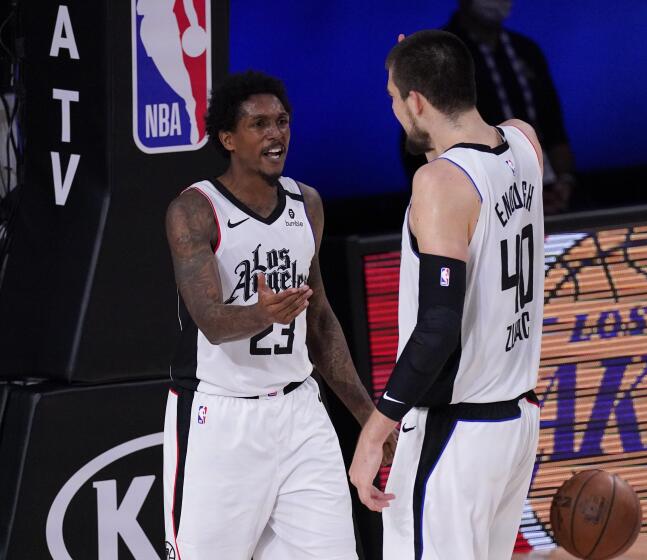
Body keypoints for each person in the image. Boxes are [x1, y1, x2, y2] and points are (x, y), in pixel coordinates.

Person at [162, 70, 395, 560]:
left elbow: (322, 321)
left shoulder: (306, 202)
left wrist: (368, 417)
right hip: (222, 418)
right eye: (259, 124)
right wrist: (262, 313)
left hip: (299, 412)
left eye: (282, 121)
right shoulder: (195, 210)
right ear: (227, 138)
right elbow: (210, 319)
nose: (276, 133)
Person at [349, 31, 544, 559]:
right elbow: (486, 130)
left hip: (456, 432)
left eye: (394, 97)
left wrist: (375, 431)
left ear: (417, 101)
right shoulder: (525, 144)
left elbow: (437, 327)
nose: (394, 109)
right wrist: (434, 60)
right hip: (516, 426)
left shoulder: (440, 183)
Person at [400, 0, 575, 213]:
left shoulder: (526, 50)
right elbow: (420, 142)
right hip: (476, 203)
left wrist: (563, 183)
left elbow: (554, 128)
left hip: (542, 194)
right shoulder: (437, 55)